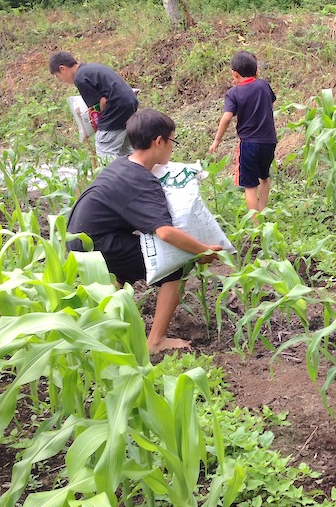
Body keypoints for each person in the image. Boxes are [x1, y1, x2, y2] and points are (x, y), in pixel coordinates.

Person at [66, 108, 225, 353]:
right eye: (172, 141)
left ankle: (101, 323)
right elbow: (165, 233)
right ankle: (155, 342)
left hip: (79, 241)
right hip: (98, 246)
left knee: (128, 261)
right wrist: (202, 250)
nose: (173, 147)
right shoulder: (142, 181)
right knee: (176, 265)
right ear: (159, 141)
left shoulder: (124, 165)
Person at [208, 50, 277, 214]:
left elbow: (226, 118)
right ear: (256, 71)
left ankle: (255, 224)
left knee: (250, 186)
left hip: (249, 144)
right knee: (264, 177)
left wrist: (217, 140)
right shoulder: (264, 86)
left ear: (235, 74)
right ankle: (263, 211)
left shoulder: (233, 93)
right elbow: (270, 104)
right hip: (269, 141)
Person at [50, 51, 139, 160]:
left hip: (116, 109)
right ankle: (136, 172)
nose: (61, 80)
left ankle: (111, 176)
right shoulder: (90, 68)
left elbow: (101, 103)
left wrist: (100, 127)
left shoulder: (80, 78)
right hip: (129, 105)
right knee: (125, 150)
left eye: (58, 76)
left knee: (105, 149)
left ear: (63, 69)